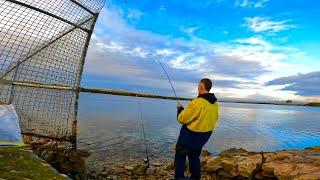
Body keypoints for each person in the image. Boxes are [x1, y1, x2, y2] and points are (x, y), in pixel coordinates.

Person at [175, 78, 220, 180]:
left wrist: (179, 110)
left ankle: (179, 177)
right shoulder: (215, 105)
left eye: (198, 86)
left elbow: (181, 119)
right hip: (203, 138)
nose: (197, 87)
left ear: (201, 87)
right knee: (194, 156)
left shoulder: (197, 102)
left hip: (189, 136)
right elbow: (214, 118)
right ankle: (195, 177)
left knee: (180, 155)